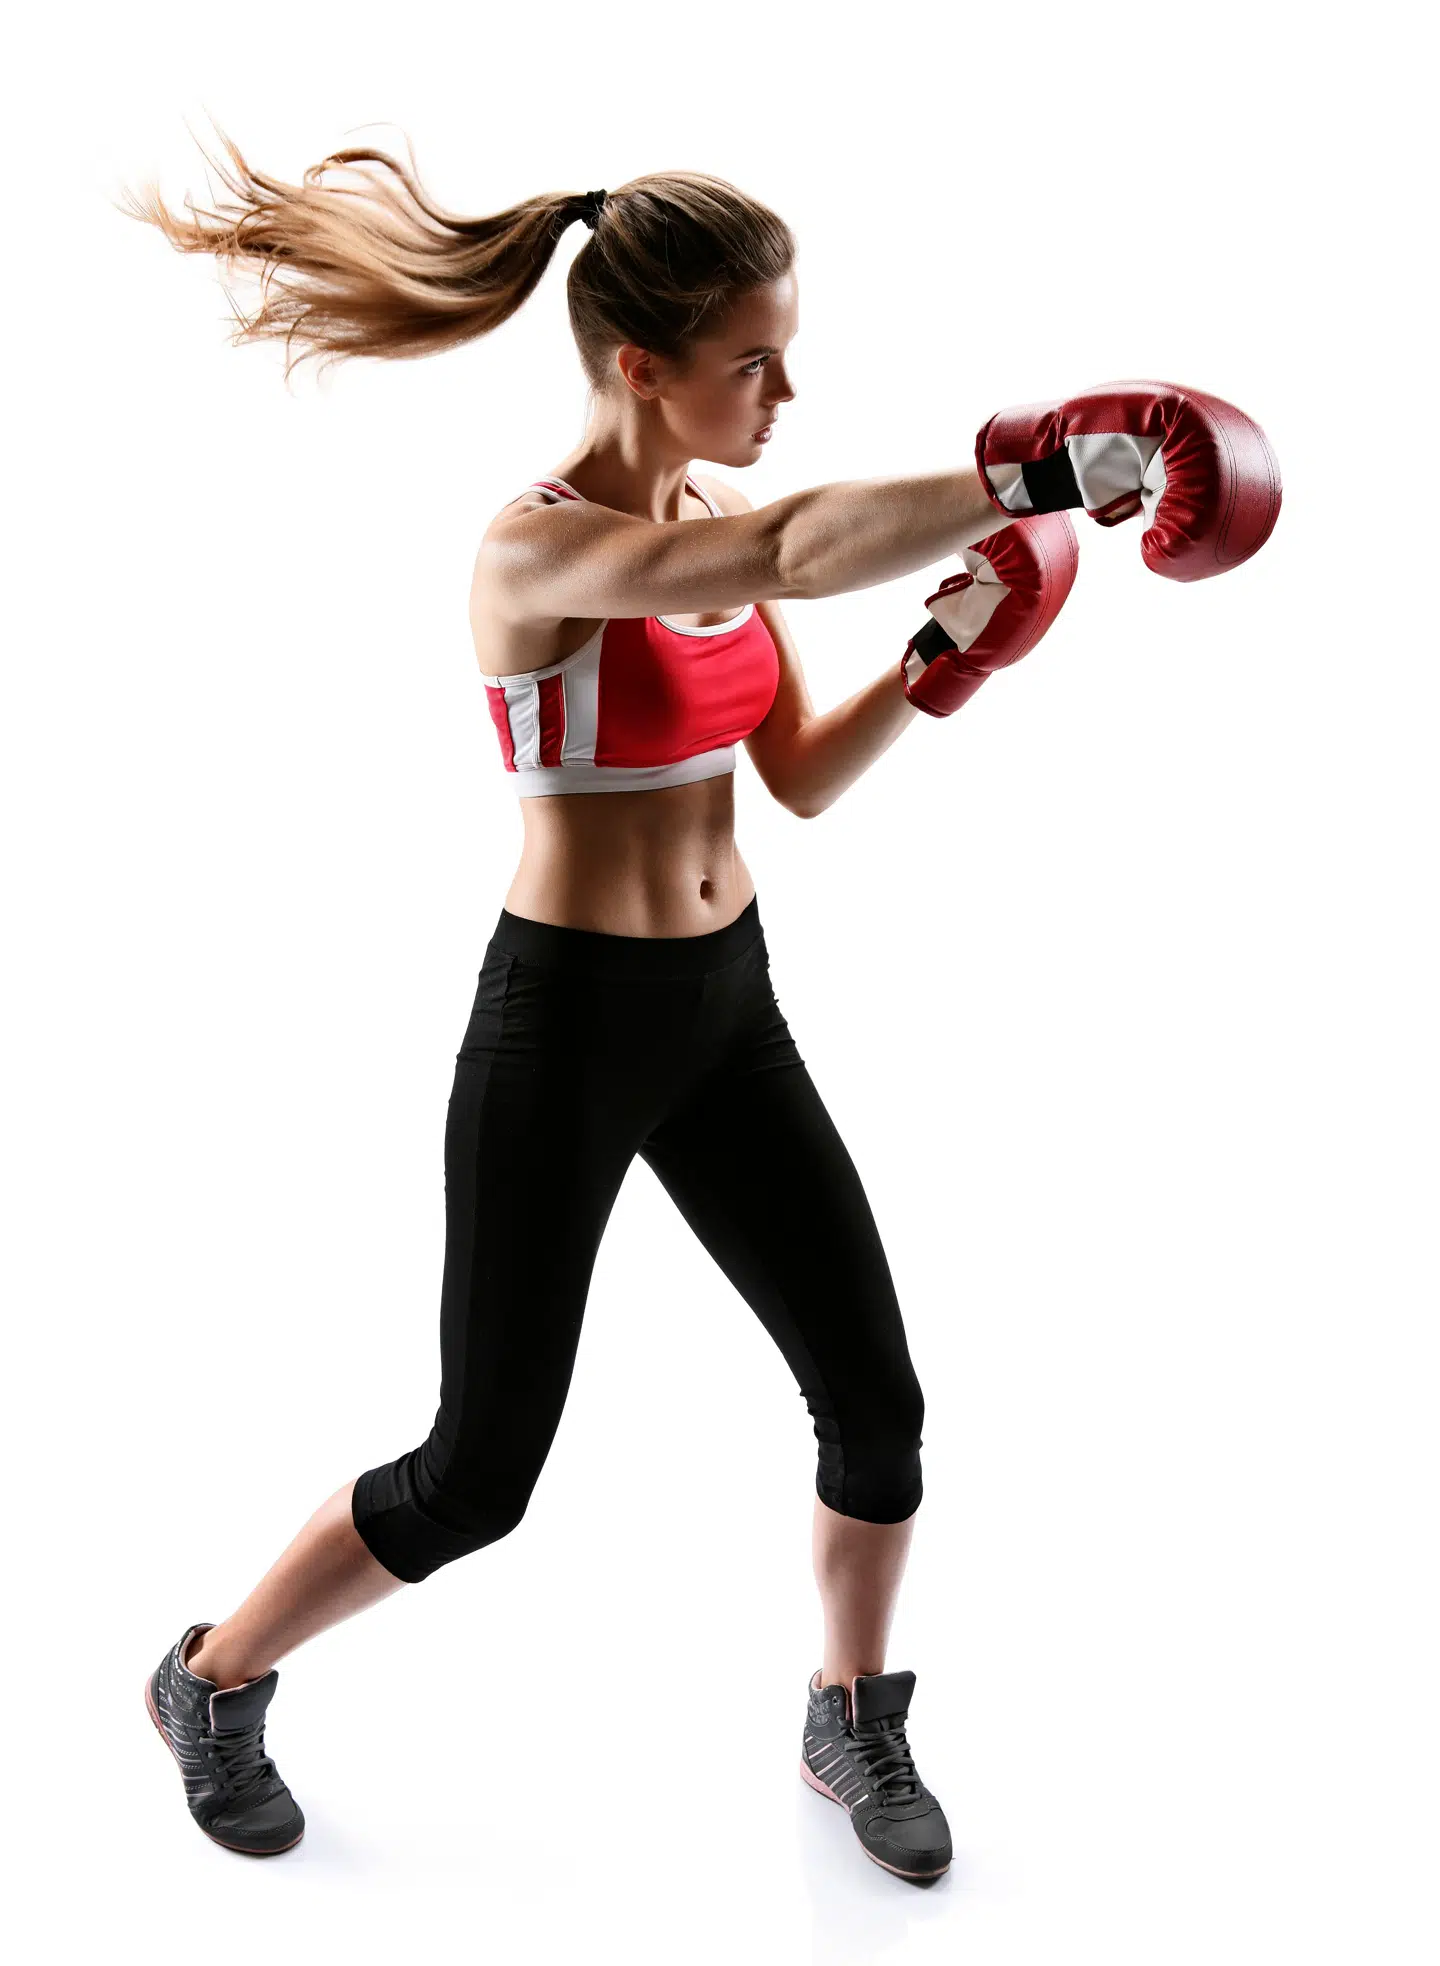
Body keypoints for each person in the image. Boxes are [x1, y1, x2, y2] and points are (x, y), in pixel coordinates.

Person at [119, 138, 1072, 1886]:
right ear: (643, 367)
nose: (784, 391)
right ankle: (211, 1676)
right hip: (567, 1025)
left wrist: (950, 654)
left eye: (785, 355)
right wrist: (1048, 470)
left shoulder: (712, 529)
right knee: (479, 1473)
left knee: (879, 1401)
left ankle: (847, 1707)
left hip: (729, 1006)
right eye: (752, 362)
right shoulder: (536, 556)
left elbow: (794, 780)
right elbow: (802, 539)